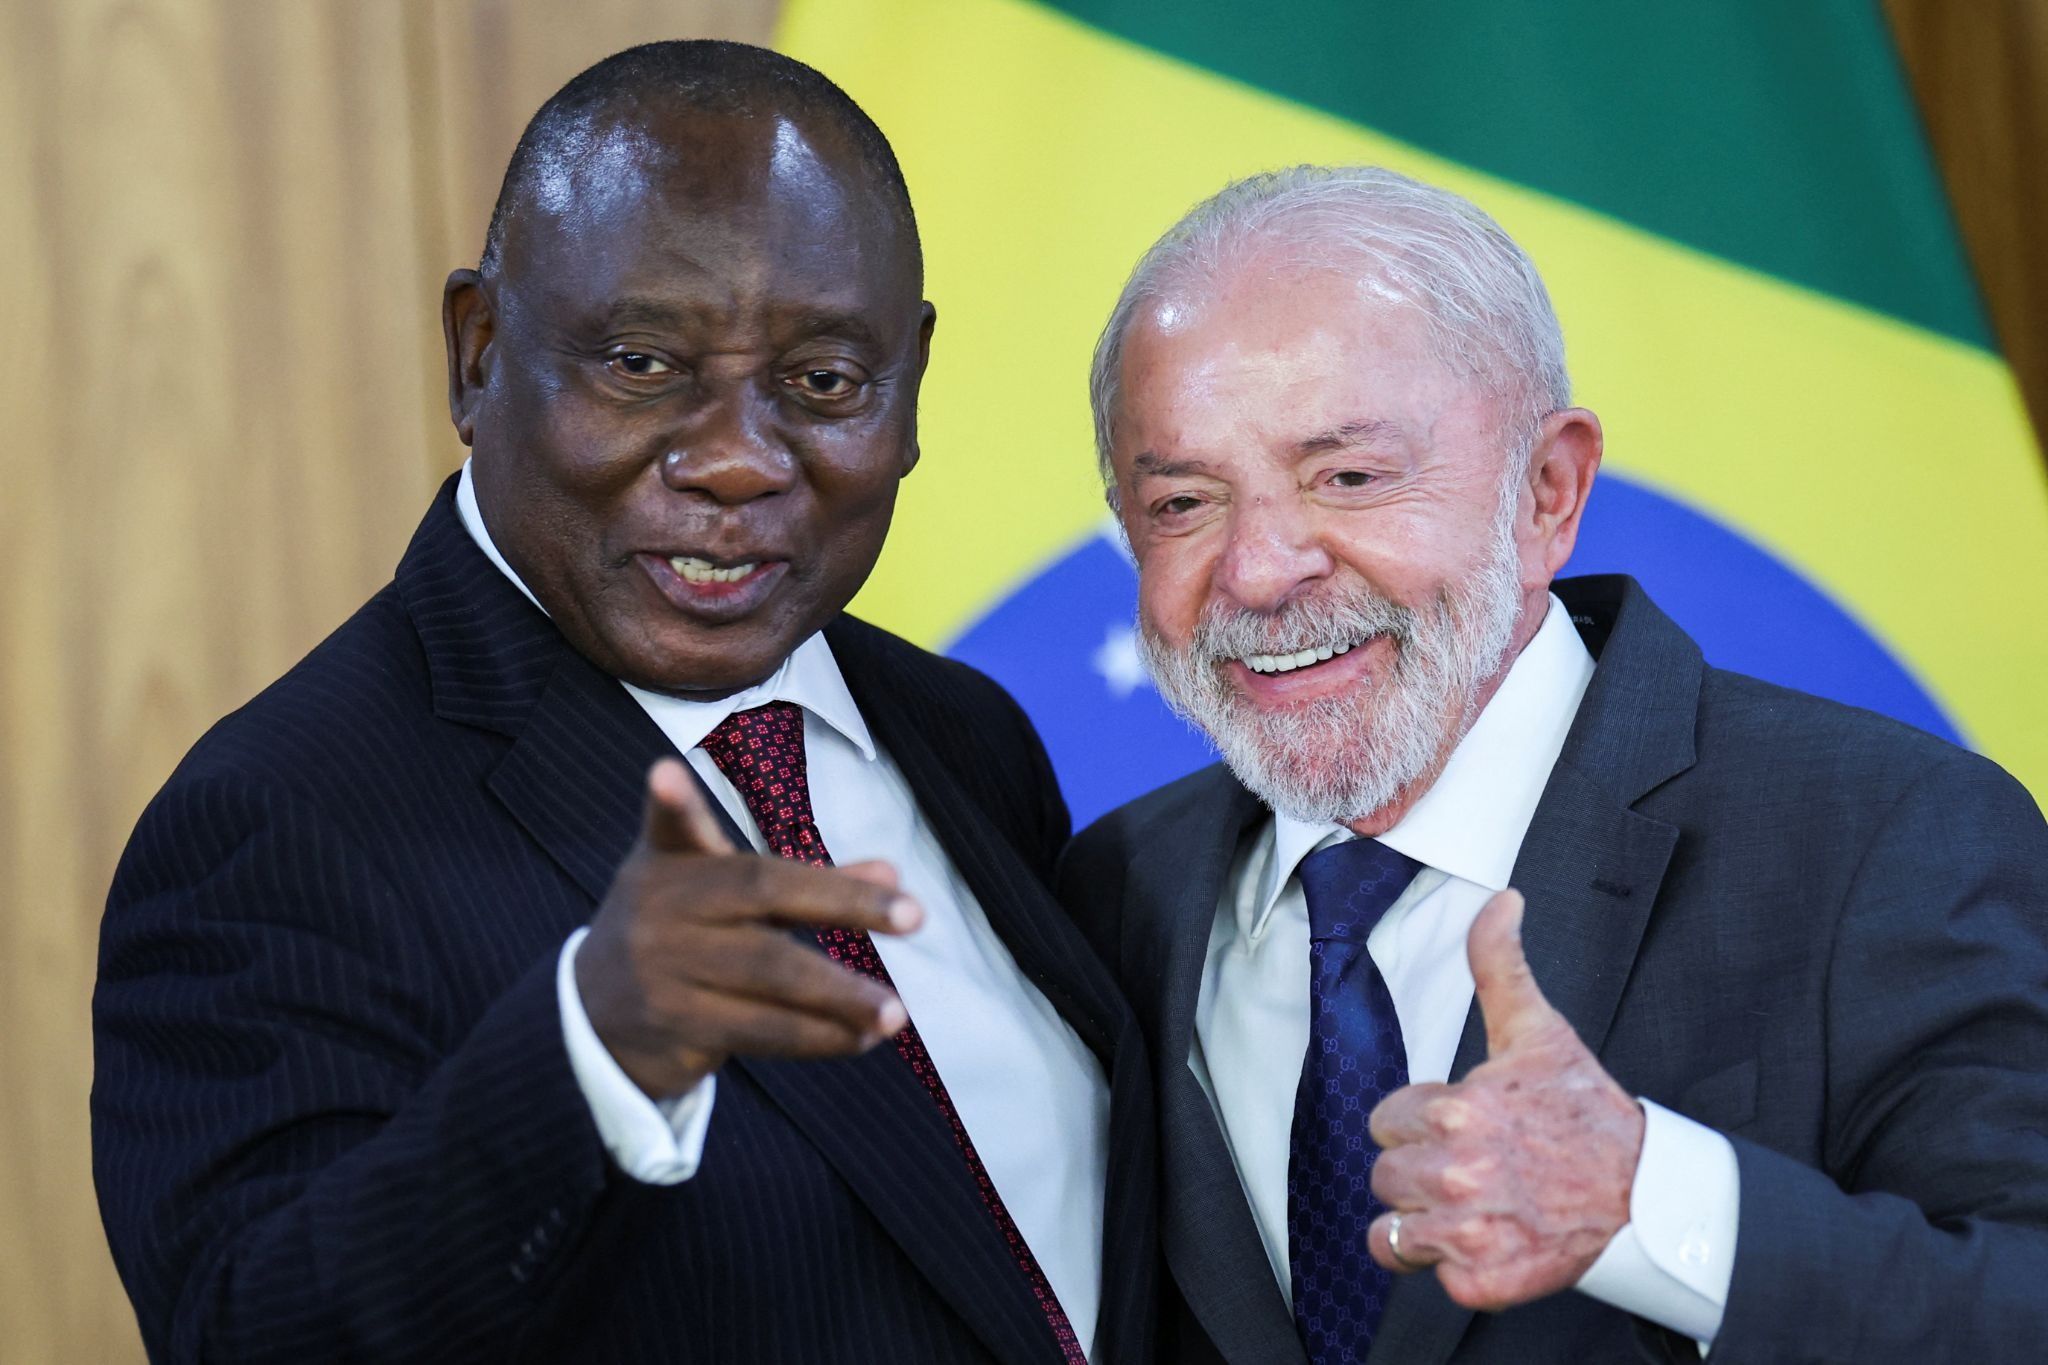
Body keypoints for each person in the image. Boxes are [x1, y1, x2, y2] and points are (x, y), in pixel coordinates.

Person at [93, 41, 1153, 1365]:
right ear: (479, 354)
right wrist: (588, 1052)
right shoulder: (276, 821)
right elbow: (247, 1337)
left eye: (824, 381)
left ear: (911, 384)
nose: (735, 460)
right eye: (643, 363)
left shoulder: (963, 730)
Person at [1060, 164, 2048, 1364]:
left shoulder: (1886, 836)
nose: (1261, 571)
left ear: (1547, 491)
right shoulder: (1112, 893)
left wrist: (1644, 1200)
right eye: (1180, 504)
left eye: (1349, 477)